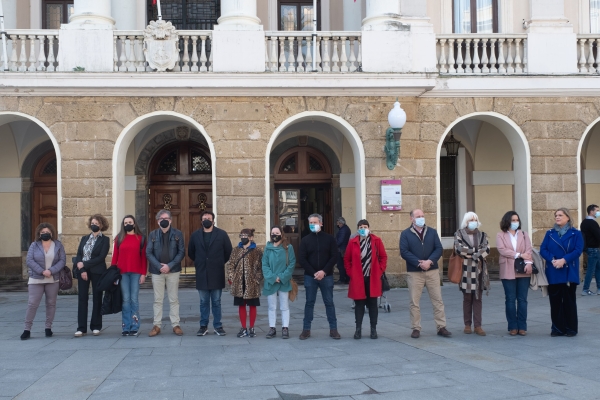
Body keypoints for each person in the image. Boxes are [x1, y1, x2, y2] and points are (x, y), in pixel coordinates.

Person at [400, 209, 451, 339]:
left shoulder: (432, 232)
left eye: (422, 216)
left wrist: (430, 261)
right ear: (411, 218)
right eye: (418, 216)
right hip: (415, 272)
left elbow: (438, 248)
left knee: (437, 300)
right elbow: (404, 251)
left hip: (432, 271)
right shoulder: (405, 234)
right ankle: (416, 328)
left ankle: (441, 327)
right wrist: (419, 263)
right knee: (414, 302)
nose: (421, 218)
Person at [540, 208, 584, 337]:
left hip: (568, 271)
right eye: (556, 215)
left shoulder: (576, 233)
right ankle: (557, 328)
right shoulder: (549, 233)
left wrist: (564, 260)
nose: (557, 217)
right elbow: (543, 249)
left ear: (568, 218)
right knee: (555, 301)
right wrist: (553, 260)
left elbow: (578, 250)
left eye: (560, 215)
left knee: (569, 301)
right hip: (553, 270)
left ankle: (571, 328)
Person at [189, 211, 232, 336]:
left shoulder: (222, 234)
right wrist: (199, 262)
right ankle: (203, 326)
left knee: (216, 301)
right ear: (201, 221)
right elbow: (191, 252)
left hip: (216, 272)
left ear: (213, 220)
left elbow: (228, 251)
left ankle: (218, 326)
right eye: (204, 218)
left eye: (209, 218)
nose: (206, 220)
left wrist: (218, 262)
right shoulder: (195, 235)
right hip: (202, 272)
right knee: (203, 302)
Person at [298, 213, 341, 340]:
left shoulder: (329, 239)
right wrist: (314, 273)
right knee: (309, 303)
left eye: (315, 223)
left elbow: (334, 256)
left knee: (329, 302)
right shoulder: (305, 240)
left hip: (326, 276)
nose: (312, 225)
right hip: (310, 277)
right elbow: (302, 259)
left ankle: (333, 329)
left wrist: (324, 271)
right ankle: (306, 330)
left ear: (321, 223)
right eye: (311, 223)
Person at [21, 223, 66, 340]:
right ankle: (27, 329)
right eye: (43, 233)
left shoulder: (58, 245)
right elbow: (29, 260)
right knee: (32, 304)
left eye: (47, 232)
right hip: (36, 278)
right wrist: (42, 271)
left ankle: (48, 328)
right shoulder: (34, 245)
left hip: (53, 279)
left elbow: (62, 261)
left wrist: (51, 271)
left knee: (51, 304)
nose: (45, 234)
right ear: (39, 234)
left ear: (52, 233)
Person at [344, 219, 387, 340]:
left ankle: (373, 329)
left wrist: (380, 270)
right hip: (358, 278)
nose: (363, 229)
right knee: (359, 304)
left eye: (365, 226)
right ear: (358, 229)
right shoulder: (352, 242)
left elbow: (383, 257)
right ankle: (358, 329)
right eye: (361, 227)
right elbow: (347, 259)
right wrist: (351, 273)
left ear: (369, 228)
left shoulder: (376, 240)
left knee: (373, 304)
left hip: (372, 277)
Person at [146, 209, 185, 337]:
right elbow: (149, 253)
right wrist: (159, 266)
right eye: (161, 219)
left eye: (166, 219)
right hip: (157, 272)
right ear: (158, 221)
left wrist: (169, 265)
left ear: (170, 220)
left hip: (173, 271)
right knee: (158, 300)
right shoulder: (152, 234)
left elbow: (181, 252)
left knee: (174, 299)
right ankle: (157, 325)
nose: (164, 221)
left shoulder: (177, 234)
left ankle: (176, 325)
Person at [496, 211, 533, 336]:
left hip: (523, 269)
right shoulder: (500, 235)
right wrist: (519, 255)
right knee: (510, 299)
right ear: (507, 221)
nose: (515, 222)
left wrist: (528, 263)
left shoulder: (523, 234)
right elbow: (502, 250)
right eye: (513, 220)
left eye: (517, 220)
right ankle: (512, 326)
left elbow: (529, 249)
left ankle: (522, 326)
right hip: (507, 269)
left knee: (522, 299)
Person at [74, 214, 110, 337]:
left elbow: (101, 257)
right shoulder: (84, 238)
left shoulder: (105, 240)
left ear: (101, 225)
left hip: (97, 271)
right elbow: (79, 254)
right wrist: (82, 268)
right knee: (82, 298)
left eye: (97, 223)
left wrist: (84, 264)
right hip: (82, 271)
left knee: (97, 298)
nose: (94, 225)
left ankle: (96, 326)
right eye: (93, 223)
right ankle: (81, 327)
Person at [454, 212, 490, 336]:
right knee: (467, 298)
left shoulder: (482, 234)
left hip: (479, 270)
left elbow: (487, 249)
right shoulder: (459, 234)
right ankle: (467, 325)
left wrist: (472, 254)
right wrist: (477, 253)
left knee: (478, 298)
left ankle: (478, 326)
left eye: (475, 219)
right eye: (470, 219)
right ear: (466, 221)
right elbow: (459, 249)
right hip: (466, 270)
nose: (473, 221)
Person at [111, 215, 147, 337]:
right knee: (126, 300)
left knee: (134, 299)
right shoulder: (119, 238)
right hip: (122, 274)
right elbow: (114, 257)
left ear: (134, 224)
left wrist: (143, 273)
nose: (128, 224)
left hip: (136, 273)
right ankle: (126, 326)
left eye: (130, 222)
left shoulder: (141, 239)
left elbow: (143, 258)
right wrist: (113, 274)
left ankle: (135, 326)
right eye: (126, 222)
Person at [227, 228, 263, 338]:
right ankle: (243, 328)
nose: (243, 237)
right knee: (241, 305)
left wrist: (256, 279)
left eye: (245, 235)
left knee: (252, 305)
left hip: (251, 283)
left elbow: (260, 268)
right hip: (239, 283)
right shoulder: (235, 250)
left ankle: (252, 327)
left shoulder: (257, 251)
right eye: (241, 235)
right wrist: (232, 277)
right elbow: (230, 265)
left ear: (251, 237)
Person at [262, 226, 296, 339]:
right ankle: (272, 328)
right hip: (271, 281)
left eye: (277, 233)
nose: (274, 235)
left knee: (284, 306)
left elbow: (291, 264)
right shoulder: (267, 248)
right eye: (273, 233)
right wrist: (272, 277)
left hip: (283, 281)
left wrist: (281, 277)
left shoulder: (288, 248)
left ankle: (285, 327)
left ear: (281, 234)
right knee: (272, 306)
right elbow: (264, 265)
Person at [580, 204, 600, 296]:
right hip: (594, 249)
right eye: (597, 210)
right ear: (591, 211)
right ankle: (585, 289)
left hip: (590, 248)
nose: (598, 212)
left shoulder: (584, 222)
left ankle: (599, 288)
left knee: (597, 269)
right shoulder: (592, 223)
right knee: (591, 270)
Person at [335, 217, 351, 284]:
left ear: (341, 223)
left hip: (341, 250)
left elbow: (340, 240)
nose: (337, 224)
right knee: (344, 265)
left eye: (338, 223)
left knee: (340, 265)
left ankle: (342, 279)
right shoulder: (345, 228)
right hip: (344, 249)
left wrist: (334, 245)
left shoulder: (343, 230)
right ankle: (346, 278)